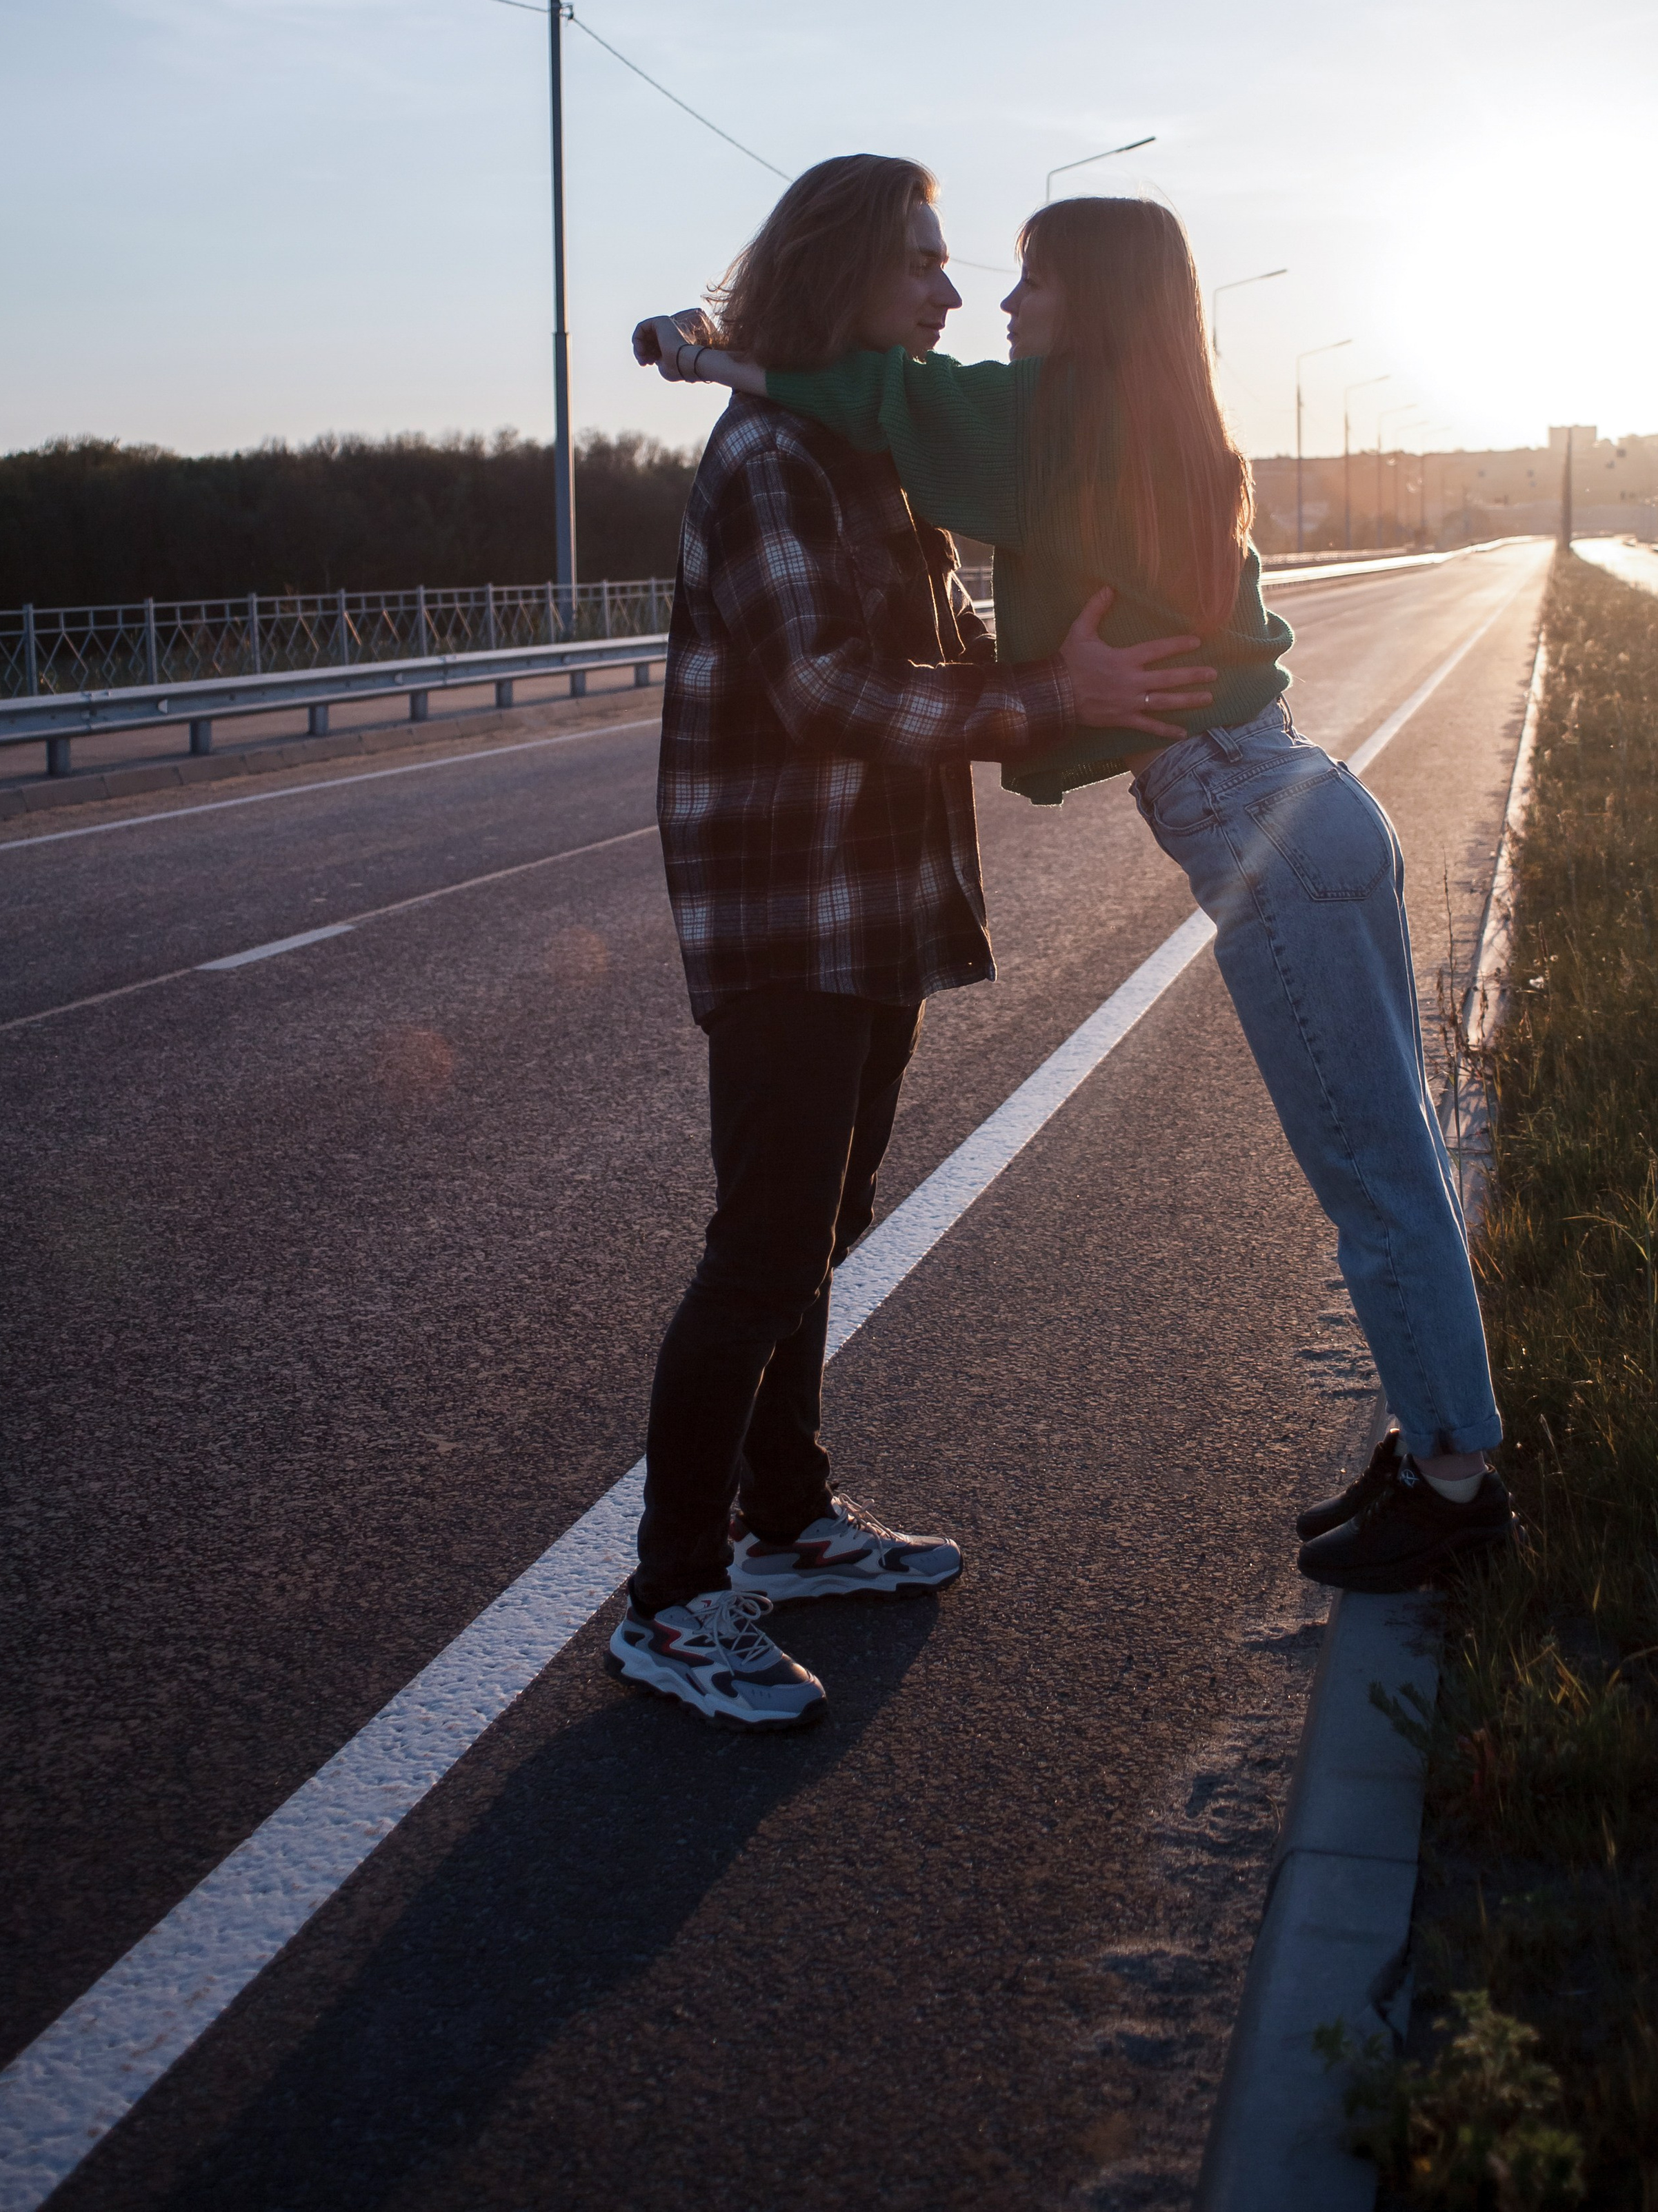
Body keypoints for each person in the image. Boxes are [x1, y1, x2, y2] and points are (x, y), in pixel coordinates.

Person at [635, 194, 1515, 1596]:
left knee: (1371, 1170)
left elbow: (875, 394)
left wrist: (704, 352)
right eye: (950, 269)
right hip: (1289, 799)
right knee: (1385, 1154)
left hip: (1261, 818)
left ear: (1092, 303)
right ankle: (1437, 1450)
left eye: (1028, 280)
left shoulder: (1056, 420)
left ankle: (1456, 1482)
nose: (992, 304)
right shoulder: (1151, 416)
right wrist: (1052, 690)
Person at [613, 159, 1219, 1731]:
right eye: (921, 266)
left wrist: (1088, 643)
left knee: (824, 1224)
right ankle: (671, 1599)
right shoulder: (769, 460)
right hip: (788, 912)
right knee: (762, 1247)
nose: (951, 296)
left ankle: (787, 1520)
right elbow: (829, 692)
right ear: (839, 278)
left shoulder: (866, 449)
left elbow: (938, 645)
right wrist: (1055, 700)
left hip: (874, 904)